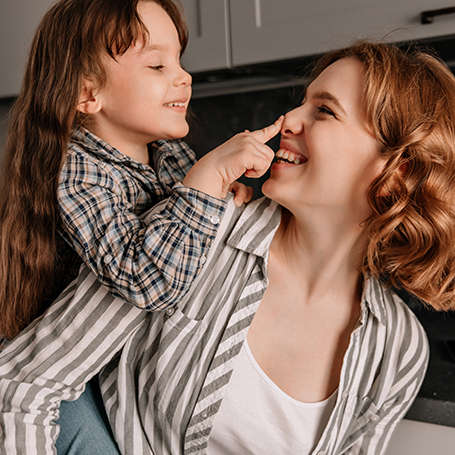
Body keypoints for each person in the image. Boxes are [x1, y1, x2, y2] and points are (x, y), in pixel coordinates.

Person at [3, 40, 455, 454]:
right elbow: (24, 387)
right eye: (303, 102)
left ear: (397, 170)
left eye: (324, 111)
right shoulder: (190, 237)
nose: (288, 120)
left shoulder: (397, 345)